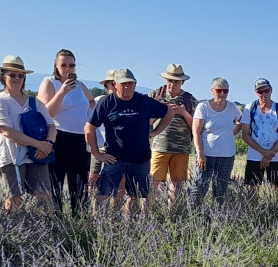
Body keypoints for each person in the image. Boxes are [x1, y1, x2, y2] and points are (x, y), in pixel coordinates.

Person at [85, 69, 174, 216]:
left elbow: (169, 112)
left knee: (137, 195)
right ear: (115, 84)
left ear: (135, 84)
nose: (128, 87)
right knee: (104, 193)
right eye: (124, 84)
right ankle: (99, 224)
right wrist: (96, 153)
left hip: (140, 158)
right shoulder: (106, 103)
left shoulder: (144, 101)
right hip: (114, 157)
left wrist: (156, 131)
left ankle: (131, 225)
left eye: (131, 84)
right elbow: (89, 128)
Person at [0, 55, 56, 213]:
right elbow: (5, 130)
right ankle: (11, 232)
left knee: (45, 197)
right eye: (12, 75)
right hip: (10, 156)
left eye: (20, 75)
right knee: (14, 199)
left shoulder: (35, 103)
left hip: (36, 154)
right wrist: (38, 144)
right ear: (3, 77)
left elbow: (51, 126)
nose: (17, 78)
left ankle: (45, 231)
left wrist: (48, 144)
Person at [37, 49, 95, 217]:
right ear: (56, 66)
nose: (68, 69)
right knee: (56, 184)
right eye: (63, 65)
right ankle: (56, 224)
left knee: (80, 186)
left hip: (80, 139)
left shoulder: (80, 85)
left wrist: (88, 118)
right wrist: (62, 92)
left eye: (71, 65)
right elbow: (45, 113)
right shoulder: (50, 82)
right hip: (58, 138)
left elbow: (91, 102)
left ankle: (80, 224)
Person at [149, 64, 197, 208]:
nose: (173, 84)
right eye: (170, 80)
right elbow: (143, 119)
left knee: (177, 184)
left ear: (182, 82)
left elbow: (197, 127)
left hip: (181, 149)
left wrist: (184, 113)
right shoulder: (155, 96)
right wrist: (162, 111)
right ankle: (148, 213)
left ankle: (173, 213)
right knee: (153, 182)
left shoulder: (190, 100)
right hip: (159, 146)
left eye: (176, 81)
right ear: (165, 80)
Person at [191, 77, 242, 206]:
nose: (222, 94)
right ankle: (193, 216)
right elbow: (196, 131)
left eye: (225, 91)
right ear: (212, 91)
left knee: (220, 189)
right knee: (199, 187)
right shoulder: (203, 107)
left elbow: (241, 122)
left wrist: (232, 134)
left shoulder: (232, 107)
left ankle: (217, 216)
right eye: (219, 90)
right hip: (206, 154)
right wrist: (200, 154)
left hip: (226, 155)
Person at [241, 78, 278, 190]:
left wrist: (269, 155)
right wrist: (263, 152)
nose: (263, 94)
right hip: (254, 155)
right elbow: (245, 135)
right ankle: (253, 208)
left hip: (276, 156)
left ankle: (274, 208)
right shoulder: (249, 108)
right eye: (260, 92)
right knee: (252, 190)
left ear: (271, 90)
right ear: (256, 93)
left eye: (266, 90)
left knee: (275, 191)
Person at [88, 69, 116, 193]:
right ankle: (94, 209)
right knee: (93, 177)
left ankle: (112, 209)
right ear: (106, 85)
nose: (115, 86)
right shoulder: (98, 101)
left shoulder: (126, 104)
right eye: (112, 84)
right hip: (99, 146)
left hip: (117, 147)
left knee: (115, 179)